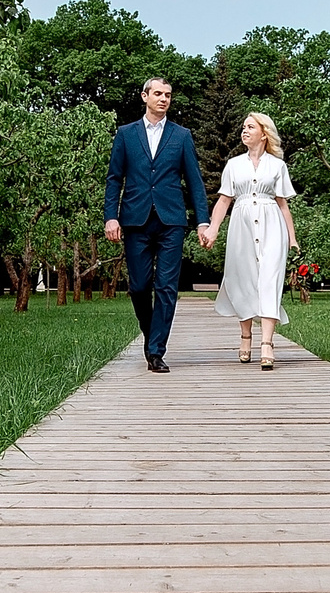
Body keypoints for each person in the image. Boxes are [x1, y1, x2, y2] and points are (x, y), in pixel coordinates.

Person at [103, 77, 212, 372]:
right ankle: (152, 335)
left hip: (171, 221)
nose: (164, 99)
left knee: (166, 286)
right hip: (135, 220)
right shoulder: (126, 134)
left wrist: (203, 221)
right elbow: (114, 178)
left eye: (168, 95)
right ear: (144, 96)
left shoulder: (181, 136)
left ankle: (155, 351)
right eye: (158, 94)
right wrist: (110, 216)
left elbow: (195, 182)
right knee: (139, 287)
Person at [207, 111, 298, 369]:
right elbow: (224, 200)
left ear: (263, 133)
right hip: (241, 224)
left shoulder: (278, 166)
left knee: (270, 280)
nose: (244, 131)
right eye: (243, 127)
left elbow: (283, 204)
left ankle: (267, 343)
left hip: (272, 225)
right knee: (244, 279)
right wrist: (213, 230)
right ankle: (246, 336)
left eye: (250, 127)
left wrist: (292, 238)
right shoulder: (234, 165)